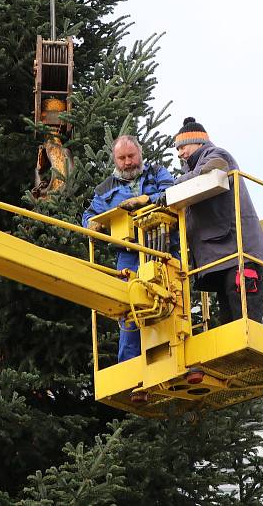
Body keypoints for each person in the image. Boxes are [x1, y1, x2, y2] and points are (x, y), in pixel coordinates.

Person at [82, 135, 176, 361]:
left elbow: (171, 193)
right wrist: (91, 224)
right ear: (115, 160)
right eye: (121, 158)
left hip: (165, 248)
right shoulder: (105, 190)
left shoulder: (156, 173)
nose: (127, 162)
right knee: (130, 308)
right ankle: (130, 366)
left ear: (140, 154)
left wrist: (146, 199)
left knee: (173, 300)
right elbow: (89, 215)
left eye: (131, 156)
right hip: (129, 255)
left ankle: (176, 355)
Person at [173, 117, 263, 325]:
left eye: (183, 146)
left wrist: (170, 190)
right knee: (230, 325)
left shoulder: (216, 156)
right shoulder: (192, 171)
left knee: (244, 323)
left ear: (198, 142)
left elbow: (207, 173)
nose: (180, 153)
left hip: (239, 253)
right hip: (223, 256)